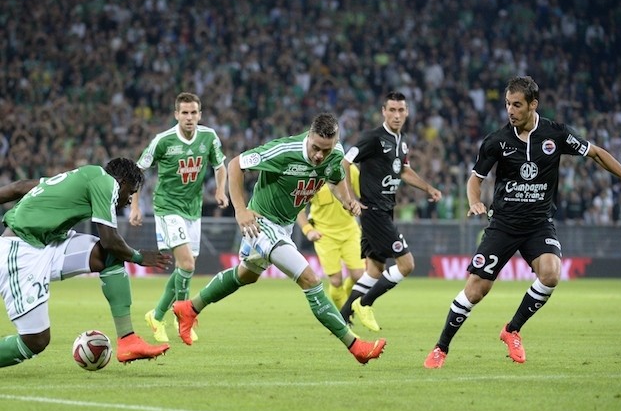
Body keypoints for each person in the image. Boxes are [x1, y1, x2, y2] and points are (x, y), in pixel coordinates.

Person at [424, 76, 621, 369]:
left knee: (551, 273)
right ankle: (441, 348)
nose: (510, 111)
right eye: (507, 105)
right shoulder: (497, 141)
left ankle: (512, 329)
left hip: (538, 223)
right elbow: (475, 179)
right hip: (503, 224)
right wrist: (475, 201)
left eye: (516, 105)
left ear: (533, 105)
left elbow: (596, 154)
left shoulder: (556, 133)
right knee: (476, 289)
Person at [172, 112, 386, 364]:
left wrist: (347, 200)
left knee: (246, 275)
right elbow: (235, 165)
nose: (320, 155)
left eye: (325, 150)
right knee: (310, 279)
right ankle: (356, 346)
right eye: (316, 148)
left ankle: (189, 308)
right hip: (261, 221)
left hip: (283, 225)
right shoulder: (284, 151)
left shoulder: (335, 154)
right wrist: (240, 210)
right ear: (308, 136)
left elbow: (336, 179)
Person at [0, 158, 172, 368]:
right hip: (21, 249)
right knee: (35, 341)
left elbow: (20, 187)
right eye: (131, 191)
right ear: (122, 181)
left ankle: (128, 340)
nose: (129, 200)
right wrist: (139, 257)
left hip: (49, 243)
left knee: (110, 257)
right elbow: (110, 240)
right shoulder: (107, 183)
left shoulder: (82, 176)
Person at [129, 92, 228, 343]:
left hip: (193, 210)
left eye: (194, 113)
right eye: (184, 113)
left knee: (185, 267)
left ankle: (157, 314)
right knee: (187, 265)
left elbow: (220, 166)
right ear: (176, 115)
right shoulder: (163, 141)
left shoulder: (209, 137)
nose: (189, 117)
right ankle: (182, 316)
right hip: (167, 207)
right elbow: (137, 172)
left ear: (200, 115)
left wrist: (219, 189)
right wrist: (135, 206)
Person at [340, 91, 442, 331]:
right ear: (383, 112)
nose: (397, 115)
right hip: (373, 211)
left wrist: (428, 187)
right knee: (407, 265)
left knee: (375, 270)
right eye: (392, 110)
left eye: (401, 110)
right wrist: (350, 198)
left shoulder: (401, 140)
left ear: (406, 112)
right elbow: (344, 162)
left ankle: (343, 315)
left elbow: (404, 171)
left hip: (386, 210)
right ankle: (365, 304)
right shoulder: (372, 138)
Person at [296, 163, 365, 310]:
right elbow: (298, 209)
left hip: (350, 230)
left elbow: (364, 195)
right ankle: (345, 314)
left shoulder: (350, 169)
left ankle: (347, 298)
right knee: (335, 280)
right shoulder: (310, 175)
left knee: (359, 275)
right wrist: (309, 230)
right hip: (324, 234)